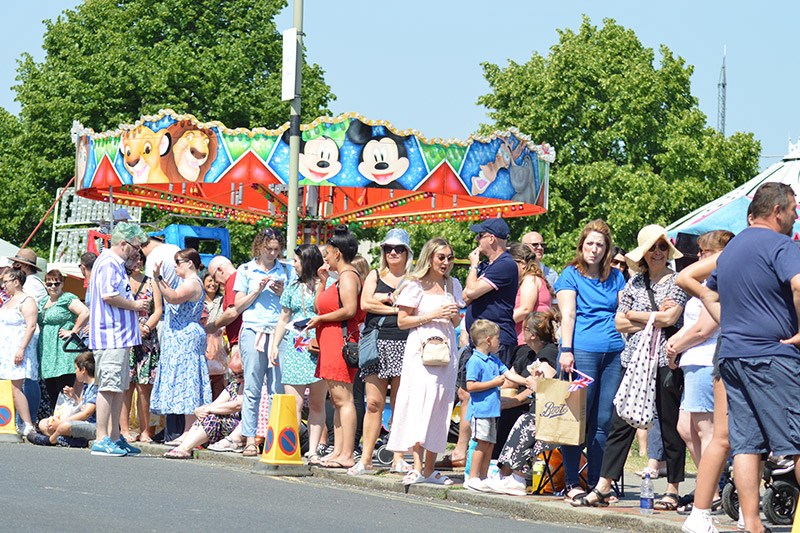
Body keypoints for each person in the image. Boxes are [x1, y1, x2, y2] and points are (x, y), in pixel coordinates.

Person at [697, 183, 800, 533]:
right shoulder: (781, 245)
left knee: (746, 444)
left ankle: (753, 525)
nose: (796, 216)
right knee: (797, 443)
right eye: (793, 209)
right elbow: (799, 285)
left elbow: (708, 293)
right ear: (777, 212)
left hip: (732, 356)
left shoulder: (733, 248)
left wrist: (734, 322)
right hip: (771, 356)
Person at [573, 224, 688, 508]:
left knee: (670, 424)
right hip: (634, 361)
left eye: (662, 247)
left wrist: (637, 316)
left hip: (665, 360)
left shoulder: (678, 281)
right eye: (652, 248)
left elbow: (670, 318)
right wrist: (651, 316)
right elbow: (619, 321)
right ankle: (603, 485)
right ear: (643, 254)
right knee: (620, 422)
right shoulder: (634, 283)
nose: (657, 253)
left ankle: (672, 488)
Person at [554, 219, 627, 501]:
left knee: (604, 420)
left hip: (613, 352)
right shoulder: (570, 275)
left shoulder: (616, 277)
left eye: (599, 245)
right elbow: (568, 314)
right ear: (581, 245)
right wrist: (566, 349)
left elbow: (623, 312)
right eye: (590, 244)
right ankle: (572, 481)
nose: (594, 250)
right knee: (576, 419)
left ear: (607, 249)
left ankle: (598, 484)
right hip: (582, 350)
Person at [387, 237, 463, 485]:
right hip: (420, 353)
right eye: (441, 257)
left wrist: (453, 316)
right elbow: (402, 321)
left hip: (445, 352)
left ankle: (430, 469)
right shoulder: (415, 285)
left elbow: (456, 322)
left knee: (439, 407)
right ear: (429, 258)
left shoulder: (453, 285)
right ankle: (417, 467)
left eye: (450, 258)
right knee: (420, 406)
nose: (446, 262)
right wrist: (432, 314)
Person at [666, 230, 733, 512]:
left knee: (706, 430)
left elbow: (705, 328)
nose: (700, 257)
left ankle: (714, 491)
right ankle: (715, 484)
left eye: (705, 252)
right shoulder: (705, 283)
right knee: (686, 428)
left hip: (706, 360)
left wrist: (676, 344)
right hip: (693, 361)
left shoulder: (718, 286)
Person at [349, 229, 413, 475]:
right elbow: (365, 304)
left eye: (398, 249)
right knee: (374, 402)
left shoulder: (414, 278)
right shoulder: (376, 275)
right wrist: (396, 307)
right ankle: (365, 458)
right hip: (376, 340)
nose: (393, 253)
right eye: (388, 249)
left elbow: (414, 307)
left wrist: (383, 303)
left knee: (400, 403)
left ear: (407, 252)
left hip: (404, 341)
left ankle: (398, 456)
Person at [87, 222, 149, 457]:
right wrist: (134, 304)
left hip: (119, 336)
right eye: (135, 246)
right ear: (123, 244)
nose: (137, 251)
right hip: (110, 335)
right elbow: (109, 295)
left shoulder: (113, 263)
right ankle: (102, 437)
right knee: (109, 386)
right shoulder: (109, 263)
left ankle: (113, 436)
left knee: (118, 388)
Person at [233, 228, 293, 457]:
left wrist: (281, 292)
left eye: (277, 250)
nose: (273, 253)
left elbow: (293, 302)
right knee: (252, 387)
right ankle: (249, 439)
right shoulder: (246, 269)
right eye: (269, 249)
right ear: (260, 247)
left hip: (278, 331)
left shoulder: (286, 269)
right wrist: (257, 290)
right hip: (253, 329)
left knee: (278, 387)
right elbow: (238, 305)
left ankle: (272, 438)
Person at [306, 226, 362, 468]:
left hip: (340, 341)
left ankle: (347, 453)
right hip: (330, 341)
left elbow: (349, 309)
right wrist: (322, 281)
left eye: (327, 253)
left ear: (337, 253)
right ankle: (338, 451)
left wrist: (321, 320)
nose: (325, 257)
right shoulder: (338, 278)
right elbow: (321, 305)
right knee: (337, 400)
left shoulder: (349, 276)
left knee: (344, 399)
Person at [489, 310, 559, 496]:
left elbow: (545, 384)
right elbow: (510, 378)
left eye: (525, 329)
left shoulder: (549, 353)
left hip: (553, 415)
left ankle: (516, 478)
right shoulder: (527, 353)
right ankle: (505, 475)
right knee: (522, 419)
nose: (522, 332)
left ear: (533, 334)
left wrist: (524, 392)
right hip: (538, 413)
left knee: (526, 422)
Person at [268, 244, 327, 463]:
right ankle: (290, 448)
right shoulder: (292, 287)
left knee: (317, 403)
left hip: (318, 345)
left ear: (308, 261)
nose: (293, 264)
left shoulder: (327, 284)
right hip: (294, 346)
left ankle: (313, 450)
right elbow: (283, 317)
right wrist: (275, 345)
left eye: (296, 261)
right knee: (294, 404)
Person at [464, 319, 534, 492]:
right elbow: (470, 386)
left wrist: (527, 381)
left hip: (492, 410)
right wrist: (493, 383)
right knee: (481, 443)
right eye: (497, 338)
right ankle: (472, 477)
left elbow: (509, 374)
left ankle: (484, 476)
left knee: (489, 444)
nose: (499, 342)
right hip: (481, 410)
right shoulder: (475, 360)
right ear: (488, 340)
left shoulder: (493, 360)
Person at [151, 248, 211, 445]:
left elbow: (174, 297)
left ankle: (190, 429)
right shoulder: (186, 282)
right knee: (182, 381)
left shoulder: (193, 283)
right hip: (178, 338)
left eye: (178, 262)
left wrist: (158, 278)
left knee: (188, 381)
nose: (176, 266)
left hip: (186, 338)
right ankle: (186, 429)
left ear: (190, 264)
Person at [164, 356, 245, 459]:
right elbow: (216, 403)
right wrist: (201, 409)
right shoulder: (234, 385)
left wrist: (209, 409)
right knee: (205, 415)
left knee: (212, 416)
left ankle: (185, 448)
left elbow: (237, 405)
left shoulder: (253, 386)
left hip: (241, 427)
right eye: (234, 374)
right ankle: (184, 447)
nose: (237, 378)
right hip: (228, 425)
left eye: (241, 375)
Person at [464, 218, 519, 366]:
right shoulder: (486, 265)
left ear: (491, 238)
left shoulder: (505, 264)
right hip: (479, 339)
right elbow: (464, 298)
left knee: (493, 387)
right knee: (468, 387)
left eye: (480, 236)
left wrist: (473, 266)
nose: (477, 240)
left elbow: (471, 291)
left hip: (495, 341)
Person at [120, 250, 161, 443]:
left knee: (145, 387)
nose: (137, 263)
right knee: (125, 386)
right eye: (133, 259)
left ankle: (146, 430)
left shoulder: (152, 282)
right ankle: (124, 430)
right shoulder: (121, 281)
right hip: (126, 336)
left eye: (139, 259)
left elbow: (158, 310)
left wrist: (145, 327)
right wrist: (134, 328)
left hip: (147, 339)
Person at [37, 269, 90, 411]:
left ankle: (68, 427)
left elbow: (85, 312)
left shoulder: (67, 298)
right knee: (51, 391)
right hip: (48, 352)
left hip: (63, 350)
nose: (53, 287)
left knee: (65, 391)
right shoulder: (43, 302)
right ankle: (56, 425)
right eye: (49, 284)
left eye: (56, 283)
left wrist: (73, 331)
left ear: (62, 284)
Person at [0, 268, 39, 437]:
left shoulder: (27, 300)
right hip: (5, 349)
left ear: (16, 281)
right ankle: (13, 422)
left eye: (6, 282)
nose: (3, 285)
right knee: (8, 386)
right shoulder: (8, 301)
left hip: (18, 348)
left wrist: (22, 348)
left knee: (16, 388)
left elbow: (31, 326)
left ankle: (28, 423)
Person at [29, 351, 97, 447]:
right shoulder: (86, 386)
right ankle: (69, 440)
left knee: (64, 426)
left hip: (93, 426)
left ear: (83, 370)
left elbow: (86, 413)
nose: (75, 372)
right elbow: (83, 406)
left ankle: (50, 440)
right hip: (81, 424)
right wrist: (74, 397)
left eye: (76, 369)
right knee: (43, 423)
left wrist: (63, 422)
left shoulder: (95, 387)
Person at [508, 242, 552, 345]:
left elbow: (525, 309)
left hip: (527, 342)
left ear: (522, 263)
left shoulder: (529, 280)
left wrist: (500, 323)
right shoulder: (530, 279)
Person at [203, 272, 228, 399]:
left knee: (219, 382)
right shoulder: (198, 300)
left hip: (219, 347)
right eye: (209, 281)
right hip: (203, 346)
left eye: (215, 282)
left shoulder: (222, 301)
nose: (212, 284)